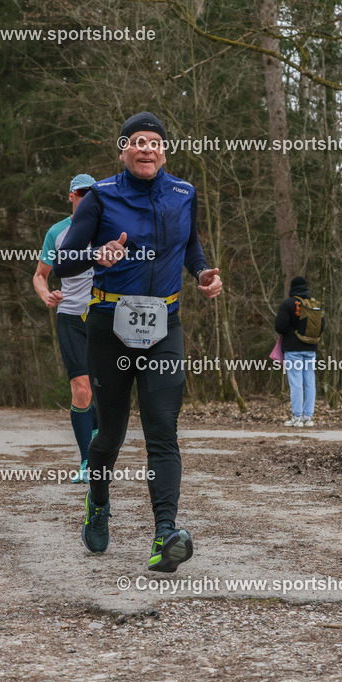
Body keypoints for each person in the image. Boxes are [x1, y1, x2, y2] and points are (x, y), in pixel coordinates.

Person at [55, 112, 222, 572]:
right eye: (138, 142)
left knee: (162, 430)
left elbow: (191, 247)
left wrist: (202, 274)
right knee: (110, 433)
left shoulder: (184, 193)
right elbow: (63, 262)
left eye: (155, 143)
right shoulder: (101, 196)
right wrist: (97, 253)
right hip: (109, 324)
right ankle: (98, 502)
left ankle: (165, 533)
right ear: (123, 150)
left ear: (164, 152)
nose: (147, 149)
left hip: (165, 324)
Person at [33, 173, 98, 483]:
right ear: (71, 196)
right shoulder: (57, 232)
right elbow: (40, 275)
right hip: (71, 315)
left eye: (92, 193)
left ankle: (99, 452)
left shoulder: (108, 227)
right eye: (81, 193)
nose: (86, 198)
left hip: (104, 316)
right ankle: (87, 461)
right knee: (82, 388)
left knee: (102, 389)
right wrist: (47, 295)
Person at [274, 276, 324, 428]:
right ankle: (308, 417)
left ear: (292, 288)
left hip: (293, 349)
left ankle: (297, 417)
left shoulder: (288, 304)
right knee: (310, 382)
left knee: (296, 383)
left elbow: (280, 327)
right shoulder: (313, 304)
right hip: (310, 349)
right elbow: (322, 326)